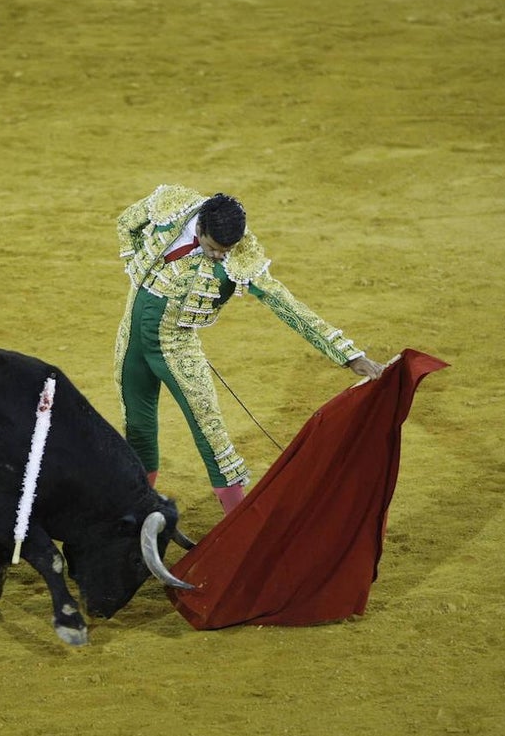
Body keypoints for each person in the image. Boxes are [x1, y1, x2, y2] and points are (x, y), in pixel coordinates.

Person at [114, 184, 385, 515]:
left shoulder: (242, 259)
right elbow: (127, 221)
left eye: (226, 250)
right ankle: (133, 514)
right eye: (214, 248)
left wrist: (348, 353)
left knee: (212, 437)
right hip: (131, 343)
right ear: (198, 227)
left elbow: (286, 304)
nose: (219, 256)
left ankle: (237, 523)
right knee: (138, 429)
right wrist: (132, 261)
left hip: (177, 349)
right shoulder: (170, 206)